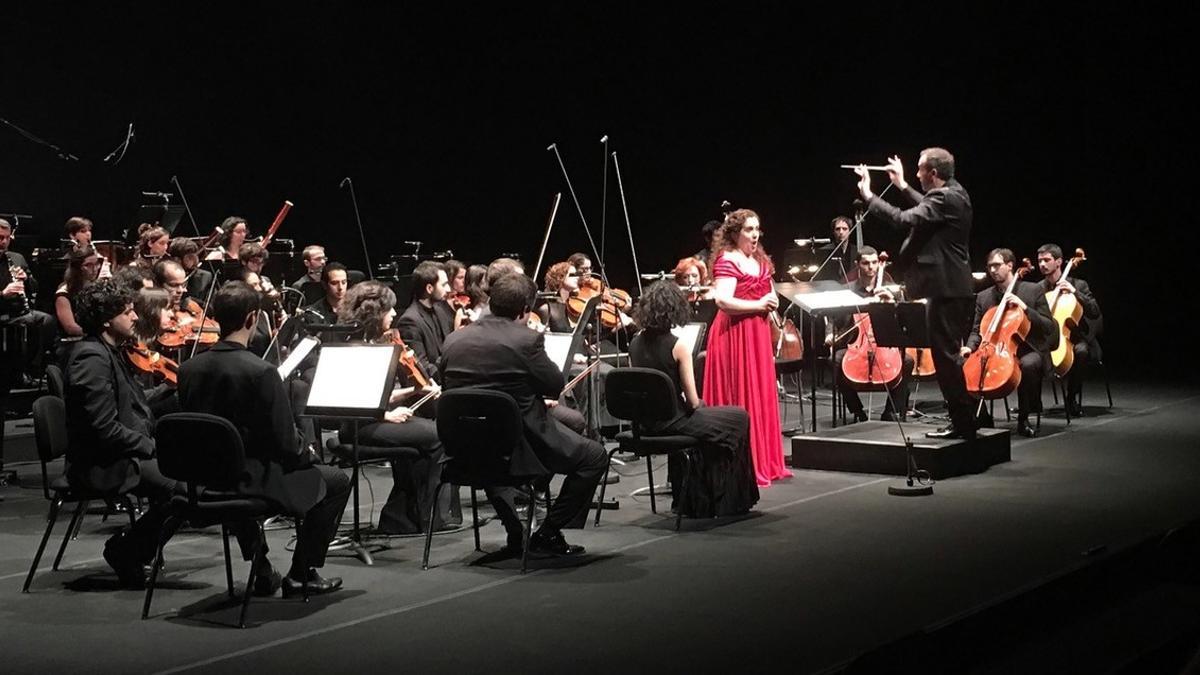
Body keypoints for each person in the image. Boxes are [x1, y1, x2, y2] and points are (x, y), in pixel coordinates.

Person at [178, 281, 350, 597]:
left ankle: (262, 566)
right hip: (252, 481)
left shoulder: (188, 368)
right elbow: (286, 444)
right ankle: (302, 573)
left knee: (234, 470)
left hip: (203, 480)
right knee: (336, 479)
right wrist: (309, 453)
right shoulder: (261, 372)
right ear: (252, 318)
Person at [440, 272, 607, 556]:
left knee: (493, 451)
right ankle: (548, 532)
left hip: (465, 448)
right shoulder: (526, 340)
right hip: (520, 448)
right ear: (525, 310)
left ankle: (515, 531)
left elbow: (451, 389)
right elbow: (554, 385)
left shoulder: (454, 339)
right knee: (595, 457)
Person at [63, 280, 183, 587]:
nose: (134, 317)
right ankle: (126, 550)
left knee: (188, 478)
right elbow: (103, 428)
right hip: (103, 463)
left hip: (121, 453)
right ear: (106, 319)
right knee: (181, 489)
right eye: (128, 312)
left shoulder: (112, 352)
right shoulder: (90, 358)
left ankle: (131, 549)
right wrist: (153, 448)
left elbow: (132, 405)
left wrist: (169, 393)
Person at [856, 148, 976, 439]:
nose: (918, 174)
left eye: (920, 170)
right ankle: (963, 423)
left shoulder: (944, 197)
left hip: (946, 289)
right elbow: (928, 206)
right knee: (946, 358)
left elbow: (903, 218)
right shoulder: (955, 192)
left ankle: (964, 425)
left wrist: (869, 196)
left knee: (946, 360)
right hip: (954, 286)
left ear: (933, 173)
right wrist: (902, 185)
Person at [337, 280, 462, 533]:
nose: (394, 314)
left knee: (434, 432)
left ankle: (406, 515)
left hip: (375, 418)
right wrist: (385, 415)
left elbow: (382, 394)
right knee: (437, 435)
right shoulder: (354, 348)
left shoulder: (375, 343)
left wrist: (416, 390)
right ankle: (423, 516)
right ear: (374, 312)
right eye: (389, 309)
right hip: (359, 425)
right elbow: (353, 401)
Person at [630, 281, 759, 516]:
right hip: (673, 422)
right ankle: (727, 501)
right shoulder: (679, 346)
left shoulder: (634, 343)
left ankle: (690, 498)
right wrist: (702, 407)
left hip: (645, 425)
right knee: (738, 417)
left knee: (711, 421)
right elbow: (692, 402)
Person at [702, 208, 791, 487]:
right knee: (740, 393)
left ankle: (764, 459)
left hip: (757, 334)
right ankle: (743, 464)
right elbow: (723, 301)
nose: (755, 235)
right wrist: (758, 305)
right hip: (734, 335)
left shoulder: (759, 259)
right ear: (735, 233)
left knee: (759, 392)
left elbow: (769, 290)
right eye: (749, 230)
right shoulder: (727, 260)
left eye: (757, 229)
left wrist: (771, 300)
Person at [963, 248, 1058, 437]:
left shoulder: (1032, 290)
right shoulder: (984, 297)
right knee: (964, 365)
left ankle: (1023, 419)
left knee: (1028, 365)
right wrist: (969, 346)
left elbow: (1049, 326)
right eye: (990, 266)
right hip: (995, 349)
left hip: (1028, 348)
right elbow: (977, 330)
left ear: (1010, 266)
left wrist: (1025, 308)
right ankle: (983, 415)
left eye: (997, 265)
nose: (992, 270)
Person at [829, 247, 915, 422]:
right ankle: (857, 410)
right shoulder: (847, 290)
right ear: (857, 264)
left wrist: (892, 302)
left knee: (907, 362)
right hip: (856, 343)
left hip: (885, 343)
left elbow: (906, 317)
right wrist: (829, 334)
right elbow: (832, 317)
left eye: (875, 263)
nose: (871, 267)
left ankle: (890, 411)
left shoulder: (890, 289)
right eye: (866, 263)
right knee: (836, 360)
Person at [1036, 244, 1102, 416]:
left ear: (1058, 262)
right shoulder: (1038, 289)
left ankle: (1071, 397)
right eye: (1040, 261)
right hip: (1050, 338)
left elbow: (1094, 312)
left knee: (1080, 351)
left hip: (1076, 337)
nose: (1042, 264)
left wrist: (1075, 293)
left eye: (1047, 260)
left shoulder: (1078, 285)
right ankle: (1033, 402)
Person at [0, 218, 56, 381]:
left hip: (18, 311)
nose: (3, 242)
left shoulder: (16, 258)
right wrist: (3, 294)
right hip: (2, 310)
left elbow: (35, 288)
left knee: (47, 322)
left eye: (6, 238)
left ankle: (33, 367)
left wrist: (26, 279)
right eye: (0, 237)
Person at [396, 260, 453, 375]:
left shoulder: (440, 311)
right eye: (443, 285)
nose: (449, 289)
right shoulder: (409, 321)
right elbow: (421, 368)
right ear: (429, 288)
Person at [55, 245, 103, 340]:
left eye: (96, 263)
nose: (95, 269)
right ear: (77, 268)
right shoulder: (63, 294)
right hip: (72, 342)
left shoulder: (97, 287)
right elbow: (71, 328)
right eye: (88, 265)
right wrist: (99, 334)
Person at [167, 237, 213, 303]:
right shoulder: (166, 276)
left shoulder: (205, 277)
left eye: (195, 256)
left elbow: (209, 305)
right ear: (176, 259)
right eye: (190, 257)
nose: (195, 261)